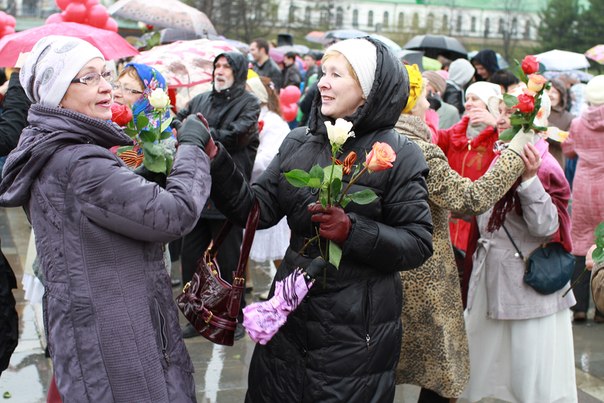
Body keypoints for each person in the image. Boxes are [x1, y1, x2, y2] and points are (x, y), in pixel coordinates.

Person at [204, 37, 433, 401]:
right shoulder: (298, 143)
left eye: (336, 74)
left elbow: (418, 243)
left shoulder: (399, 156)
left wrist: (353, 230)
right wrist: (217, 163)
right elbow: (255, 212)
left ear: (369, 91)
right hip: (290, 317)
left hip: (356, 333)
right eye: (323, 72)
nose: (322, 82)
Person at [0, 35, 214, 401]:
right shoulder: (79, 163)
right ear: (57, 93)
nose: (107, 88)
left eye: (106, 74)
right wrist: (192, 150)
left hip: (92, 327)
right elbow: (175, 214)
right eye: (89, 78)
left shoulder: (53, 147)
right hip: (118, 342)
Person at [395, 65, 536, 402]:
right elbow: (471, 198)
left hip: (387, 273)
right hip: (423, 277)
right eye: (425, 98)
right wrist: (517, 151)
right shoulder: (419, 148)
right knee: (442, 375)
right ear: (409, 102)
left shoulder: (377, 138)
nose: (430, 105)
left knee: (383, 369)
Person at [462, 94, 577, 402]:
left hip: (524, 288)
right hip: (495, 279)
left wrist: (528, 182)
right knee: (491, 373)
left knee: (525, 376)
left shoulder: (543, 165)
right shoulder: (504, 156)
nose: (498, 119)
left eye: (507, 114)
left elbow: (547, 227)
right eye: (498, 111)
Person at [176, 51, 261, 339]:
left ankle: (234, 317)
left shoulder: (248, 102)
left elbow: (239, 135)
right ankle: (196, 313)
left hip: (228, 194)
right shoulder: (200, 99)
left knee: (229, 260)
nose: (220, 71)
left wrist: (200, 132)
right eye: (217, 66)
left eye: (226, 66)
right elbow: (180, 122)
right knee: (191, 256)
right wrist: (190, 129)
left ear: (238, 72)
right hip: (198, 190)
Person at [436, 81, 501, 255]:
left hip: (480, 217)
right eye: (467, 98)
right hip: (451, 217)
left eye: (475, 99)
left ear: (487, 104)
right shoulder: (454, 133)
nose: (468, 103)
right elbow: (432, 139)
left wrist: (496, 124)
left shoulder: (498, 135)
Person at [562, 75, 604, 323]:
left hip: (585, 185)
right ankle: (601, 308)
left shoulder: (578, 123)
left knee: (580, 241)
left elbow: (569, 150)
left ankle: (579, 306)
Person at [245, 75, 290, 277]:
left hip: (270, 191)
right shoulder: (251, 117)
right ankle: (242, 288)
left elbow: (267, 160)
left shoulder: (273, 122)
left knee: (277, 249)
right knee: (244, 245)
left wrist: (239, 165)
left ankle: (288, 292)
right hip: (252, 188)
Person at [546, 78, 574, 168]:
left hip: (555, 164)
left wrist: (545, 125)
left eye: (554, 92)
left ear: (561, 95)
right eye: (547, 90)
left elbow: (567, 142)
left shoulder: (569, 118)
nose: (550, 95)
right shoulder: (535, 112)